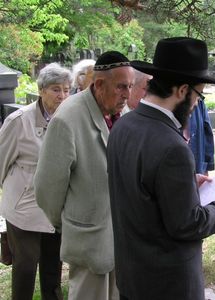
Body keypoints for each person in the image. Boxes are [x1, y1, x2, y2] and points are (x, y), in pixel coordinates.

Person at [107, 37, 215, 300]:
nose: (195, 105)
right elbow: (186, 225)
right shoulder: (173, 147)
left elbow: (140, 186)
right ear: (182, 90)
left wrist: (187, 182)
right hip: (168, 284)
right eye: (198, 95)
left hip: (132, 276)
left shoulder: (123, 125)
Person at [34, 51, 135, 300]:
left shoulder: (122, 113)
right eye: (122, 87)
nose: (128, 94)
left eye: (131, 86)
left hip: (121, 240)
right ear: (99, 85)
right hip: (89, 243)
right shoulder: (67, 119)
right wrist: (70, 222)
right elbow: (47, 190)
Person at [0, 63, 72, 300]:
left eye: (66, 89)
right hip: (24, 210)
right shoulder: (19, 121)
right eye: (55, 89)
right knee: (26, 267)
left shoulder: (70, 119)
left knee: (53, 268)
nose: (62, 95)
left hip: (56, 210)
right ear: (41, 90)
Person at [187, 98, 215, 175]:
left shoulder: (199, 103)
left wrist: (207, 166)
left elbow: (207, 135)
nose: (196, 102)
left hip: (198, 168)